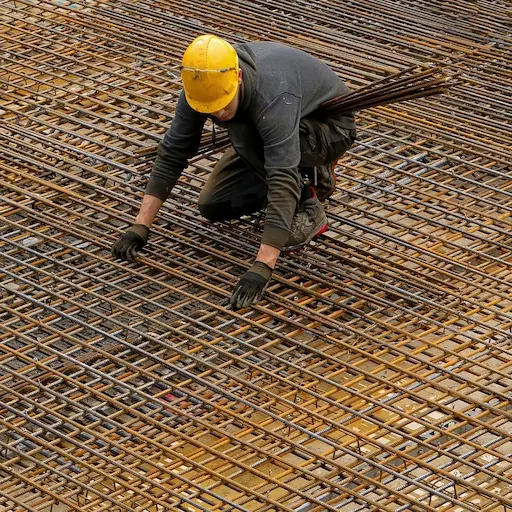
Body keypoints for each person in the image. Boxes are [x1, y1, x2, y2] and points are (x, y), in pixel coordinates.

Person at [112, 34, 356, 309]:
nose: (217, 114)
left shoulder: (271, 94)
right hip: (267, 132)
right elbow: (173, 151)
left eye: (222, 105)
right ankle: (305, 171)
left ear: (238, 76)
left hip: (328, 129)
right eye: (210, 110)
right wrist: (140, 225)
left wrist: (263, 265)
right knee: (214, 206)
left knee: (245, 133)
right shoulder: (201, 85)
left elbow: (281, 175)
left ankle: (308, 201)